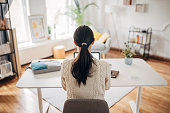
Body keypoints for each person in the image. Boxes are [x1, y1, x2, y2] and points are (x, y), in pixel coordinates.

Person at [61, 25, 111, 100]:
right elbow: (107, 87)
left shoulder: (65, 65)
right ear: (93, 41)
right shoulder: (105, 66)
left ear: (75, 43)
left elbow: (65, 87)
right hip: (97, 110)